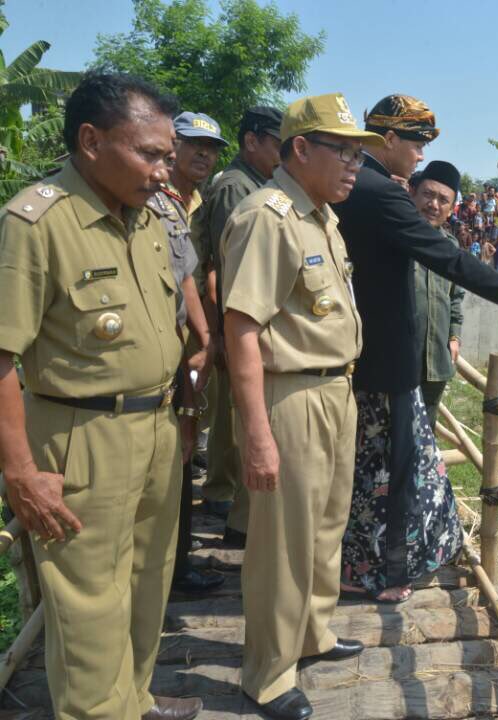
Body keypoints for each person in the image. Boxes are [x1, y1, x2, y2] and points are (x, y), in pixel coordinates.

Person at [0, 71, 203, 720]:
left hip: (157, 430)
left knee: (148, 588)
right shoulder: (38, 222)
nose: (163, 168)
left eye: (168, 155)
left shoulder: (148, 219)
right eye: (149, 153)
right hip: (79, 440)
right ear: (90, 140)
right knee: (89, 610)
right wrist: (21, 473)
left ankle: (133, 701)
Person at [332, 94, 498, 604]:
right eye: (416, 144)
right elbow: (446, 257)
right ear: (388, 140)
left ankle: (361, 564)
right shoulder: (381, 193)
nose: (418, 157)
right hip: (385, 360)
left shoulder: (354, 185)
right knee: (389, 475)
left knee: (374, 469)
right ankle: (379, 573)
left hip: (366, 353)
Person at [220, 93, 382, 720]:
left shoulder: (321, 217)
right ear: (301, 150)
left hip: (335, 388)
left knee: (324, 525)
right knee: (282, 542)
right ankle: (266, 674)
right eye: (342, 150)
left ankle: (312, 633)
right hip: (290, 394)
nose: (353, 164)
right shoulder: (269, 217)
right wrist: (256, 432)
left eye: (359, 152)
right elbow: (241, 327)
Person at [193, 105, 283, 547]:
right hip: (234, 315)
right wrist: (230, 333)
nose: (285, 152)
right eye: (277, 143)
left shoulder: (260, 184)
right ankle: (220, 492)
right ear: (253, 141)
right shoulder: (235, 188)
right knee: (234, 415)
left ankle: (225, 493)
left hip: (240, 317)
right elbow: (229, 267)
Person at [148, 110, 228, 596]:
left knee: (185, 435)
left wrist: (206, 337)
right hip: (165, 341)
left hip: (188, 342)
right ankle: (170, 568)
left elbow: (199, 275)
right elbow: (179, 280)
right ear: (170, 145)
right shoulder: (156, 200)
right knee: (173, 447)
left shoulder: (195, 201)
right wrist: (202, 337)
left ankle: (177, 562)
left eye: (211, 147)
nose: (204, 154)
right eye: (194, 144)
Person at [409, 162, 466, 429]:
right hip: (399, 359)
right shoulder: (395, 237)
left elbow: (456, 297)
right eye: (428, 195)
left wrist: (454, 334)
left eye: (443, 200)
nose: (434, 204)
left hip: (435, 361)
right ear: (413, 194)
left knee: (425, 433)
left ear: (452, 208)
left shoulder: (450, 246)